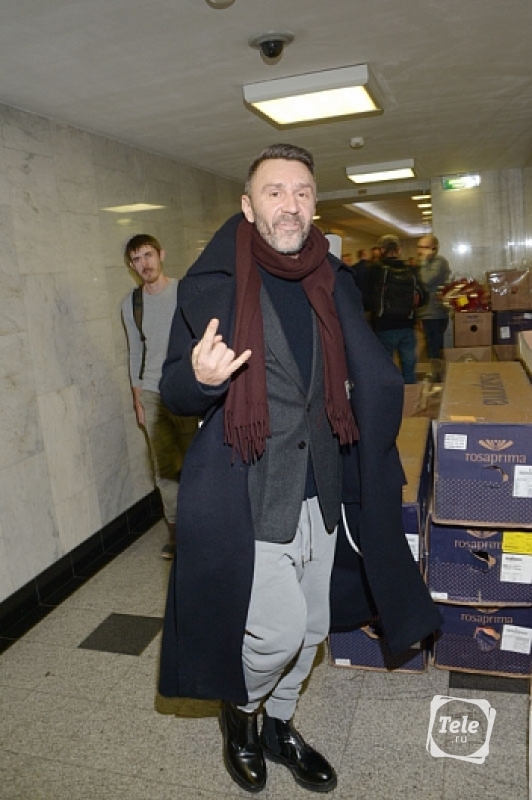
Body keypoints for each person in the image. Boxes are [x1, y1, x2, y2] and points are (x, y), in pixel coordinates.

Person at [158, 144, 441, 794]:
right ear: (248, 205)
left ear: (315, 204)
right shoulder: (212, 285)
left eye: (303, 192)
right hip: (252, 488)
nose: (290, 205)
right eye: (275, 191)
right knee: (276, 633)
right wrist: (200, 379)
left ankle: (280, 725)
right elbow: (175, 389)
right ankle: (242, 713)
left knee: (313, 628)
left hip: (325, 487)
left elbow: (349, 371)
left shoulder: (332, 279)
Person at [122, 234, 197, 559]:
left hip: (188, 388)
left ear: (161, 255)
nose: (144, 264)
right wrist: (138, 400)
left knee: (197, 461)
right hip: (153, 393)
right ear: (131, 265)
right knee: (165, 467)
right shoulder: (131, 305)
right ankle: (178, 532)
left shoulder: (184, 292)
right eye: (137, 259)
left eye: (148, 255)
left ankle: (205, 525)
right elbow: (134, 352)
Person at [369, 234, 427, 384]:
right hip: (407, 325)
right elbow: (423, 297)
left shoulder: (374, 270)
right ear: (399, 250)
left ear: (381, 250)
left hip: (383, 325)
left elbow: (365, 299)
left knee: (385, 366)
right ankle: (410, 393)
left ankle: (388, 393)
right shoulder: (411, 270)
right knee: (409, 366)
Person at [417, 234, 451, 381]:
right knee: (431, 345)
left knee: (434, 346)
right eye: (419, 247)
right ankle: (436, 373)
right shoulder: (428, 263)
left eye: (424, 247)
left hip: (435, 313)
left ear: (433, 248)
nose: (420, 250)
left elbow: (426, 280)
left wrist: (424, 262)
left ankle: (437, 377)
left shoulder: (438, 262)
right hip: (428, 311)